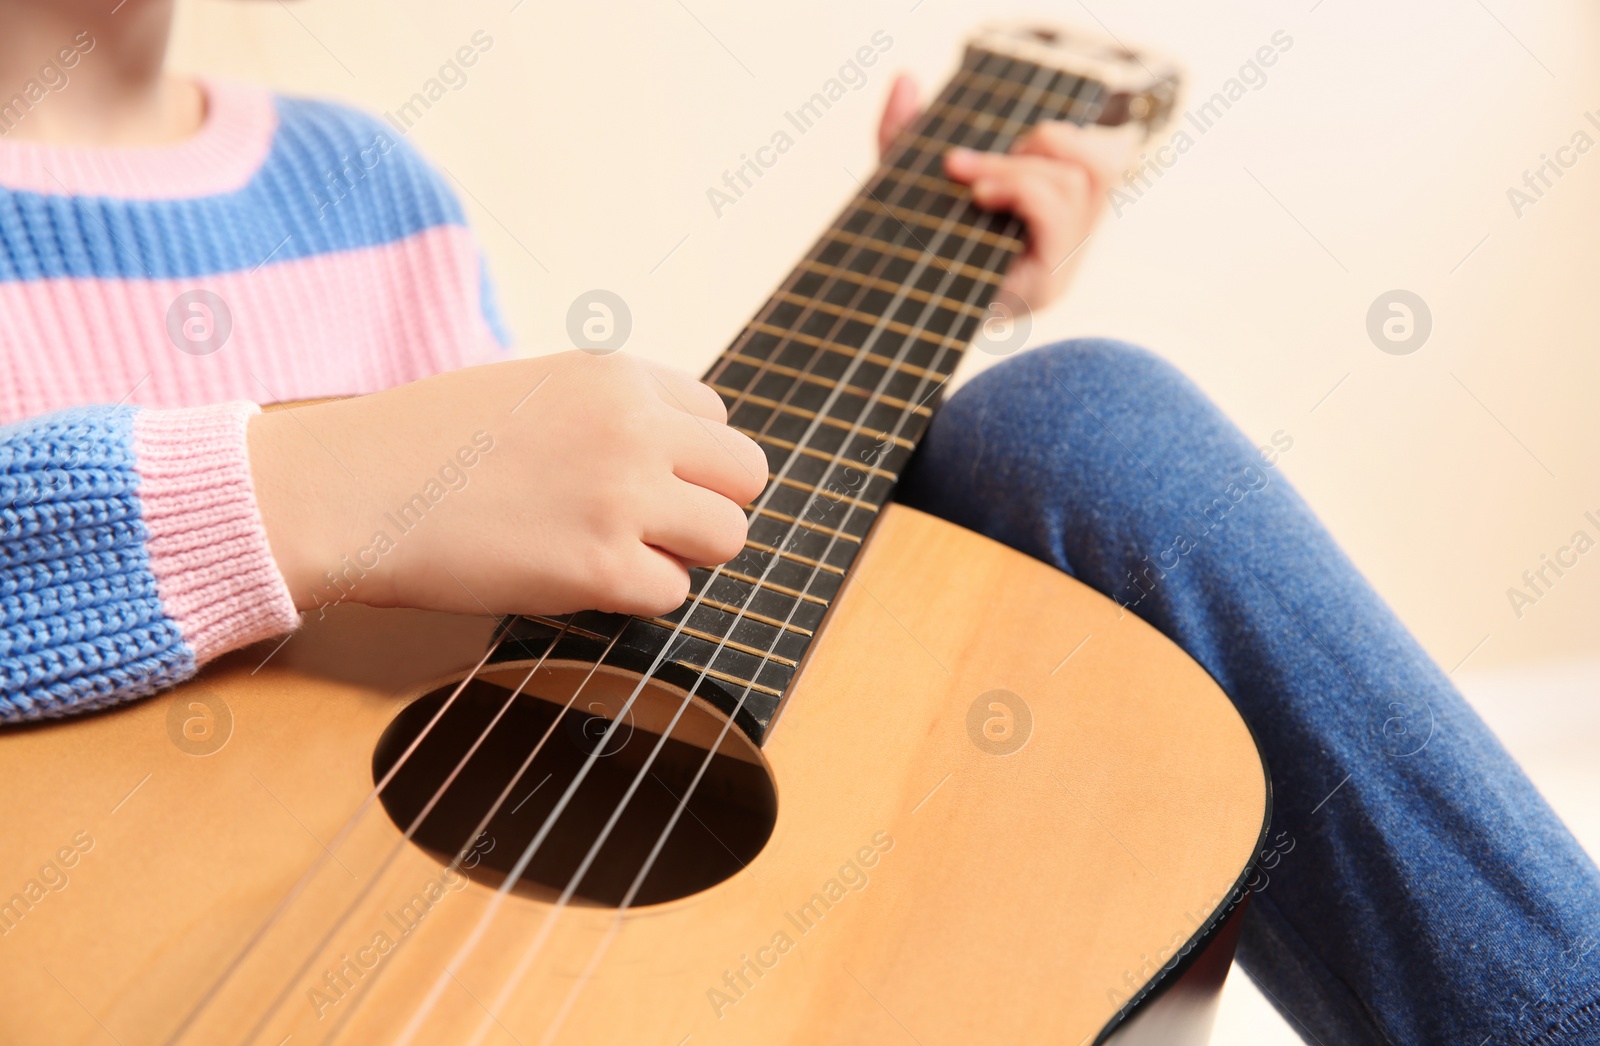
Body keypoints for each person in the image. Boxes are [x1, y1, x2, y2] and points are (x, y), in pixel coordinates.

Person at [1, 2, 1596, 1043]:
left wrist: (919, 277)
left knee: (1077, 417)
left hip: (518, 969)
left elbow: (502, 615)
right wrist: (306, 485)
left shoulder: (370, 187)